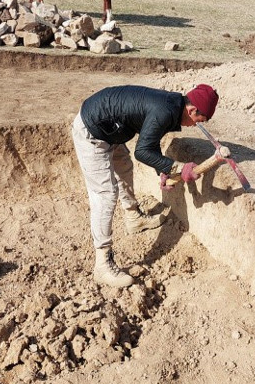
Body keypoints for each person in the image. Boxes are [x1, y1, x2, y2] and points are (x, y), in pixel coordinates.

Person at [72, 84, 220, 288]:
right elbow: (141, 152)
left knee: (124, 167)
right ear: (192, 110)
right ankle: (102, 265)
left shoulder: (172, 106)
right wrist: (178, 167)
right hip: (92, 130)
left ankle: (133, 217)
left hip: (110, 127)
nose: (195, 126)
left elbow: (151, 140)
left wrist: (163, 170)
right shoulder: (166, 111)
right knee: (106, 194)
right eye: (198, 121)